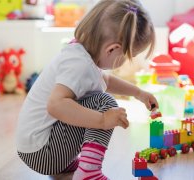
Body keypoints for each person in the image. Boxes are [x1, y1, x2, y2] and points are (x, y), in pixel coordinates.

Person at [16, 0, 158, 179]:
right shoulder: (79, 65)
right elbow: (56, 105)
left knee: (97, 98)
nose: (127, 61)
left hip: (35, 148)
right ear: (113, 49)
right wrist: (103, 120)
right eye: (129, 56)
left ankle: (66, 164)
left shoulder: (82, 54)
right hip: (42, 152)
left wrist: (139, 93)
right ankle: (88, 173)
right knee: (104, 102)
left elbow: (104, 79)